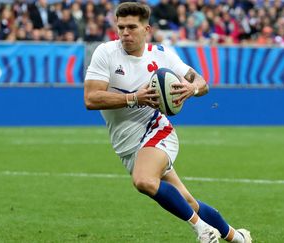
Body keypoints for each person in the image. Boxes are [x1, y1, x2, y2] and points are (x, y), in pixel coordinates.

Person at [83, 2, 252, 243]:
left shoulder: (161, 54)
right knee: (188, 201)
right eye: (121, 27)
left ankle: (202, 230)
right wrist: (134, 98)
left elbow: (201, 82)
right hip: (127, 144)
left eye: (131, 27)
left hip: (156, 130)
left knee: (143, 180)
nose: (125, 33)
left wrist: (191, 88)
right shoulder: (106, 53)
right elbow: (91, 98)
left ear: (147, 29)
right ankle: (238, 238)